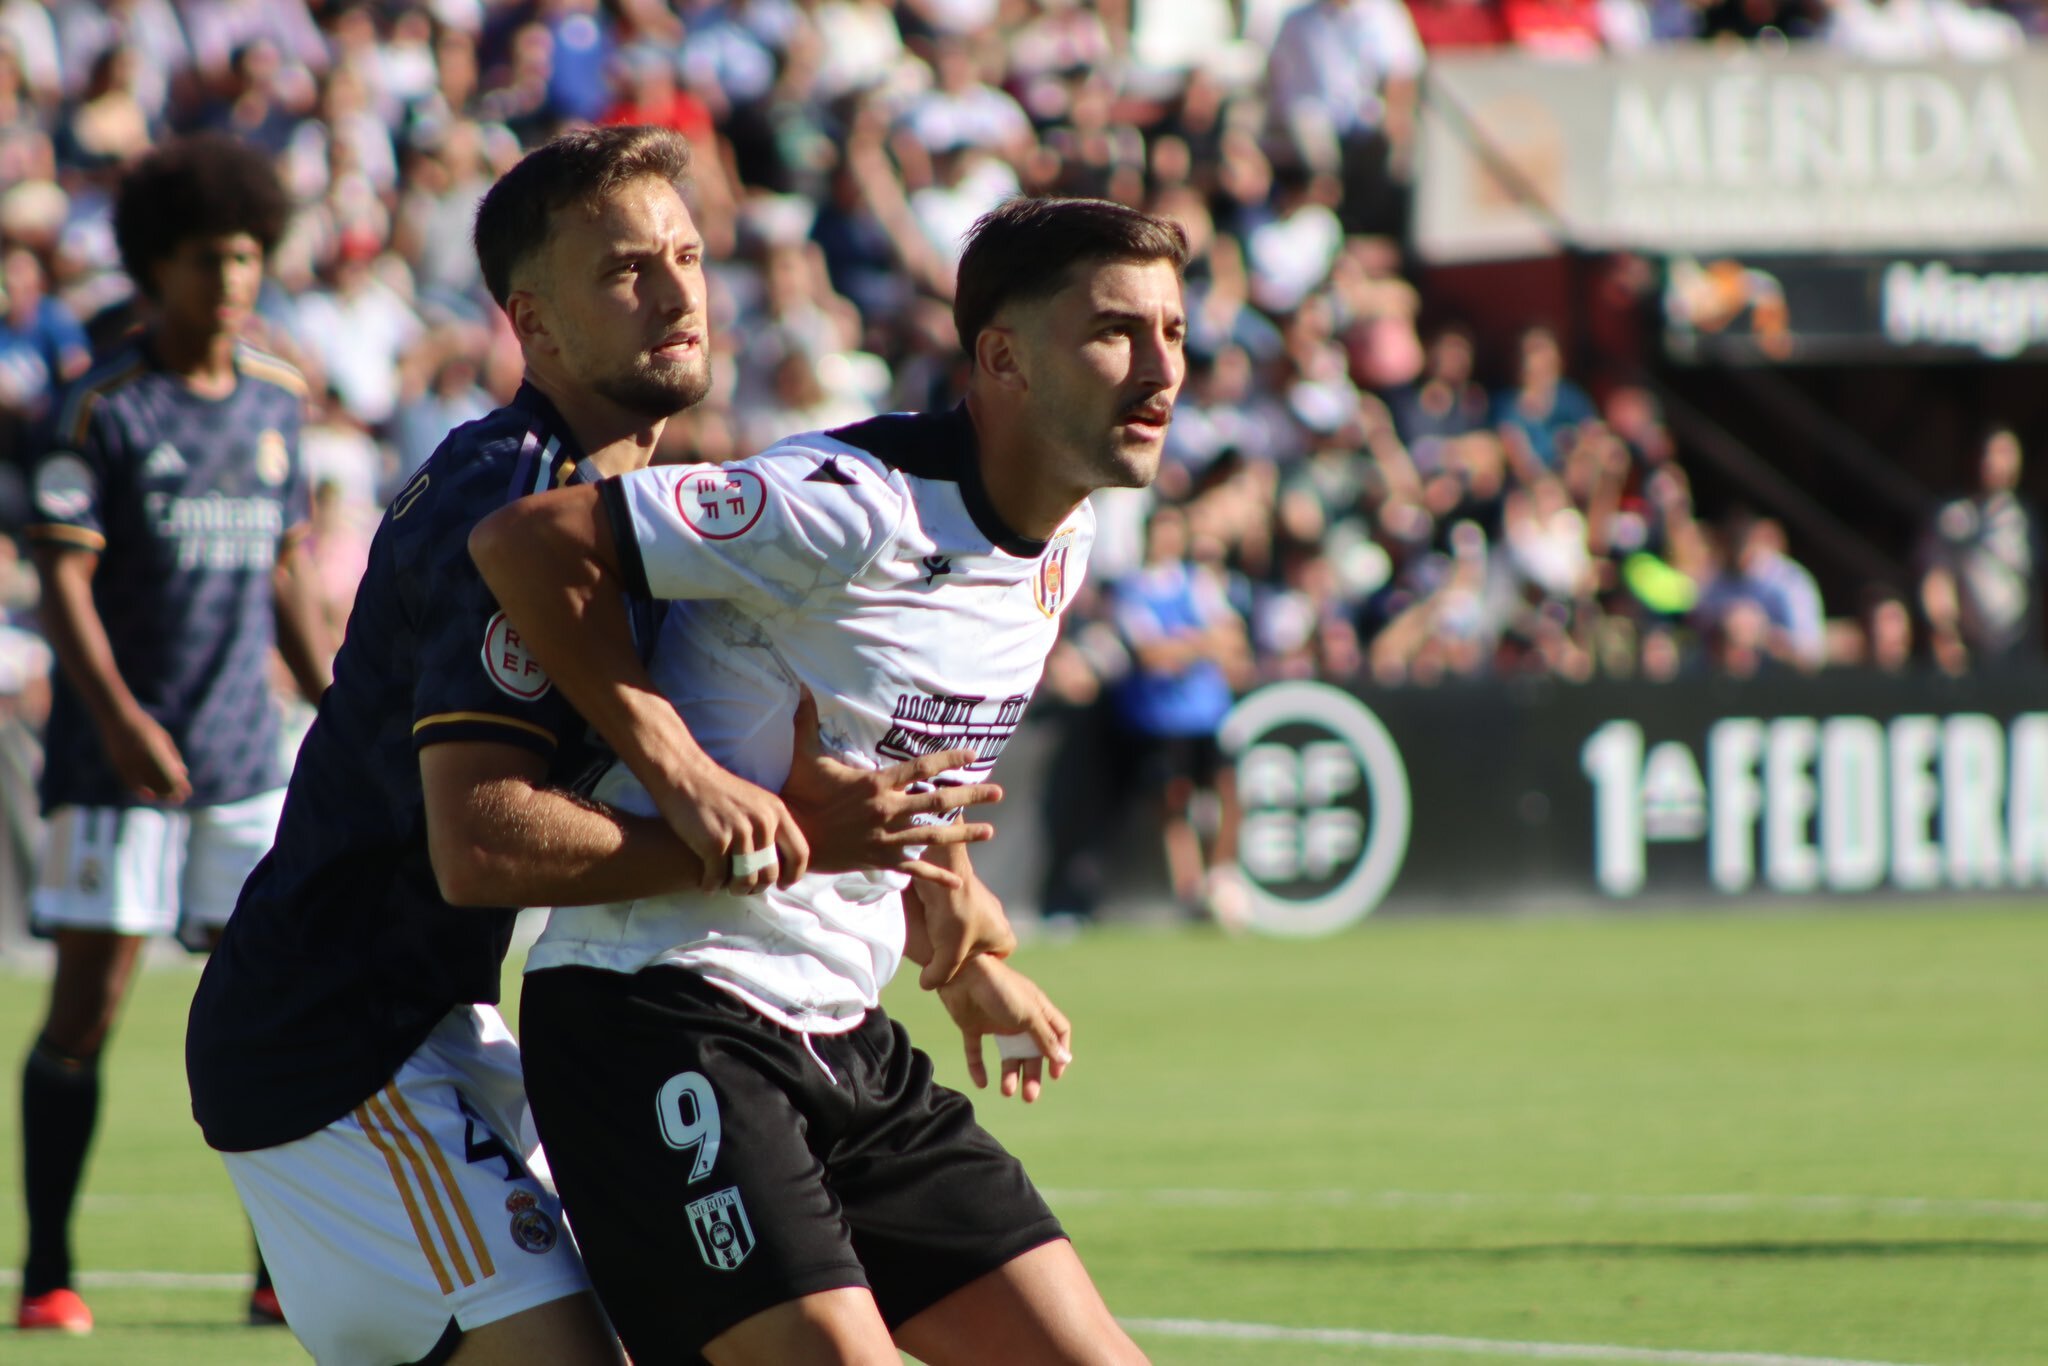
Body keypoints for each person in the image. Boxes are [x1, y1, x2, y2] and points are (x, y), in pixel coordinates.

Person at [184, 125, 1007, 1366]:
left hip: (444, 1030)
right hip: (334, 1048)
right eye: (628, 270)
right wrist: (762, 848)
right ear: (535, 323)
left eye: (687, 254)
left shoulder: (653, 519)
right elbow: (480, 843)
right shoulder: (503, 500)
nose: (680, 293)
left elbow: (820, 747)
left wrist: (947, 913)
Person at [468, 193, 1187, 1366]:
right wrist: (680, 771)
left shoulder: (1064, 538)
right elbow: (527, 542)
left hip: (841, 1028)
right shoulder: (841, 509)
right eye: (1115, 331)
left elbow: (909, 756)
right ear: (1000, 355)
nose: (1160, 367)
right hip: (661, 1013)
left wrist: (962, 958)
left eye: (1173, 331)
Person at [16, 133, 332, 1335]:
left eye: (250, 255)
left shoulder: (279, 399)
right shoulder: (94, 408)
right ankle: (48, 1268)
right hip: (113, 766)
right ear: (158, 266)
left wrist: (338, 695)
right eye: (213, 257)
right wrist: (120, 719)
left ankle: (278, 1268)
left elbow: (289, 569)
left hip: (246, 759)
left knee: (271, 1004)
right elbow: (65, 587)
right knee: (88, 1009)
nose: (236, 278)